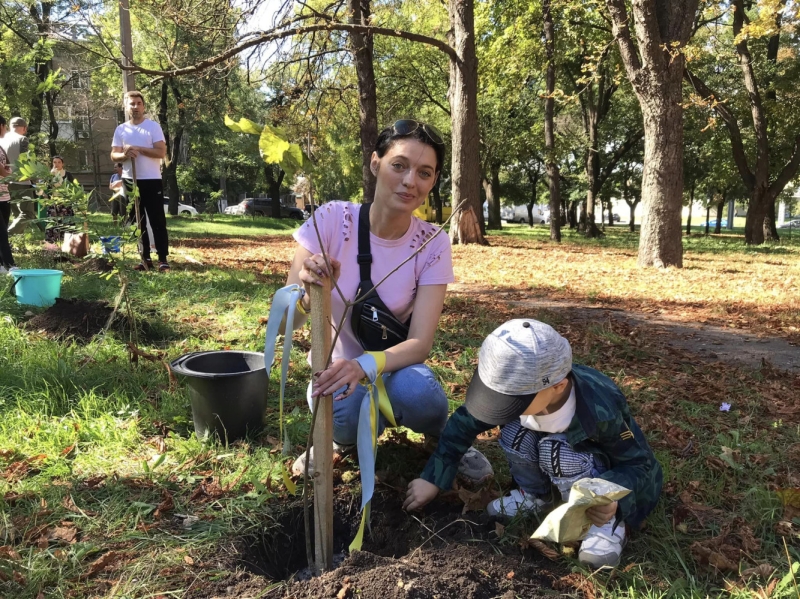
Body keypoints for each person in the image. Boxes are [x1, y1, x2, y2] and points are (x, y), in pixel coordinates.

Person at [284, 119, 492, 484]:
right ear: (376, 163)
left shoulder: (432, 242)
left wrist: (363, 366)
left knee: (419, 394)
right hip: (336, 371)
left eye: (425, 173)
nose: (411, 181)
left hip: (396, 370)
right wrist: (306, 296)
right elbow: (289, 322)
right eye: (400, 165)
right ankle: (338, 440)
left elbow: (421, 343)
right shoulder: (332, 220)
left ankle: (441, 436)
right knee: (344, 417)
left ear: (433, 181)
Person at [404, 319, 663, 569]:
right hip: (542, 453)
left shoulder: (599, 408)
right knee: (514, 432)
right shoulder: (510, 379)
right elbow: (464, 424)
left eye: (511, 401)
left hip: (592, 474)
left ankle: (599, 522)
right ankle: (535, 494)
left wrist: (611, 499)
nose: (498, 406)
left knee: (560, 452)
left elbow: (640, 464)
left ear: (558, 387)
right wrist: (434, 477)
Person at [110, 90, 170, 271]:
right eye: (131, 104)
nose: (135, 107)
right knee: (137, 220)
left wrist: (139, 149)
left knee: (157, 219)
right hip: (130, 180)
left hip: (151, 179)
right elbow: (114, 155)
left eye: (138, 103)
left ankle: (162, 259)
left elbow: (161, 152)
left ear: (143, 106)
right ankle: (144, 259)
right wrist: (125, 154)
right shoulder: (121, 129)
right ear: (126, 107)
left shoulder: (153, 127)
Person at [2, 117, 42, 234]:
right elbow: (27, 162)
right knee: (27, 214)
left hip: (5, 182)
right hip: (21, 182)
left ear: (10, 126)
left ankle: (15, 243)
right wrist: (36, 180)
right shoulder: (23, 140)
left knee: (16, 214)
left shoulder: (1, 139)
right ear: (24, 128)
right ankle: (6, 235)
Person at [44, 156, 76, 244]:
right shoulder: (50, 175)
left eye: (59, 162)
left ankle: (68, 242)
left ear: (62, 164)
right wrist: (46, 198)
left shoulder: (68, 174)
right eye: (54, 162)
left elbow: (73, 187)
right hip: (53, 202)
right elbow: (43, 188)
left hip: (65, 202)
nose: (56, 164)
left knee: (66, 222)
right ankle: (52, 242)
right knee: (53, 222)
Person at [0, 115, 18, 272]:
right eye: (5, 126)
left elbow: (6, 168)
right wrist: (11, 175)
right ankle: (10, 265)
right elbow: (4, 171)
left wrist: (8, 172)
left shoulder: (1, 147)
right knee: (1, 233)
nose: (6, 129)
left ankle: (1, 265)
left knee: (3, 230)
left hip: (4, 195)